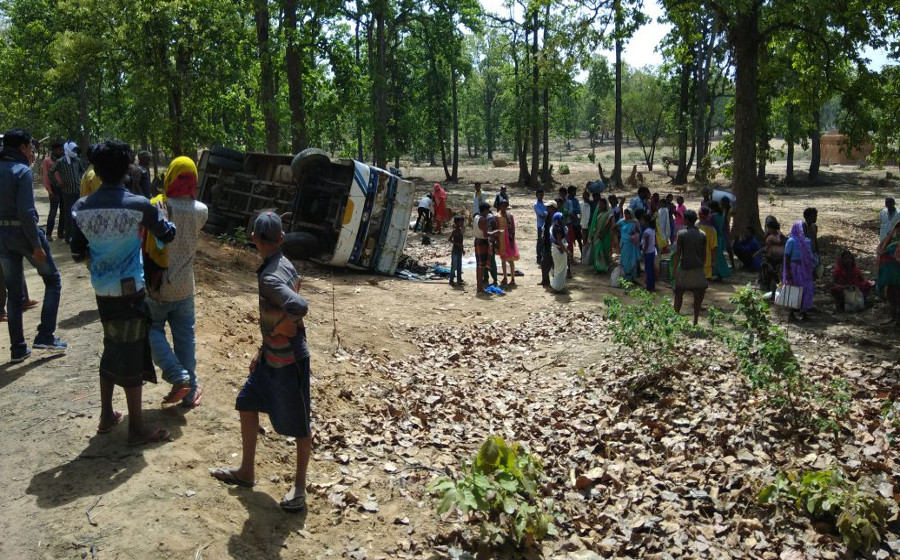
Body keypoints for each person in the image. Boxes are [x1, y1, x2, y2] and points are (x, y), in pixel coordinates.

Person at [70, 139, 175, 443]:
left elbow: (77, 250)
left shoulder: (81, 207)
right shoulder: (139, 206)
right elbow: (166, 235)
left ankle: (106, 415)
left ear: (97, 170)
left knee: (111, 344)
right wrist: (165, 216)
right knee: (131, 352)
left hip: (102, 289)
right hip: (130, 290)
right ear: (128, 169)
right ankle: (136, 428)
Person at [211, 211, 312, 513]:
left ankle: (300, 489)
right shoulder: (283, 263)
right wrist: (264, 346)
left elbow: (298, 305)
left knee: (300, 427)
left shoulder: (270, 276)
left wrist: (283, 327)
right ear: (281, 238)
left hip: (290, 361)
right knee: (246, 402)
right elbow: (287, 302)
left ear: (254, 238)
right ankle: (246, 471)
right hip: (271, 356)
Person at [145, 157, 208, 408]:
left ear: (170, 177)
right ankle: (190, 391)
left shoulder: (157, 206)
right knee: (185, 339)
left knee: (151, 330)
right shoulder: (201, 211)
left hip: (158, 285)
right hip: (185, 287)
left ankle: (176, 375)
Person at [0, 128, 65, 362]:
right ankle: (45, 335)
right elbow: (27, 212)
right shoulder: (22, 171)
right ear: (22, 148)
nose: (32, 152)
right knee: (53, 280)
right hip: (23, 234)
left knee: (14, 293)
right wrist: (36, 244)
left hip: (2, 237)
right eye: (30, 147)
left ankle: (18, 348)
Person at [672, 210, 708, 325]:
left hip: (685, 269)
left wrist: (674, 270)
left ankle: (675, 319)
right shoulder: (702, 234)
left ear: (686, 220)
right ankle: (695, 320)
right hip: (698, 270)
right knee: (698, 296)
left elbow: (678, 254)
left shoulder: (681, 234)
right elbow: (704, 256)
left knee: (678, 294)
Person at [49, 141, 85, 243]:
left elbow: (82, 171)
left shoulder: (77, 160)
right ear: (68, 150)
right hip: (67, 192)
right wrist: (57, 183)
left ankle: (76, 235)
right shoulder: (61, 161)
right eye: (73, 149)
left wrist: (80, 178)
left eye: (75, 150)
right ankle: (68, 236)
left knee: (77, 214)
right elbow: (51, 172)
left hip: (77, 191)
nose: (75, 151)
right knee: (68, 214)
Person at [783, 220, 816, 321]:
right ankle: (792, 313)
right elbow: (787, 256)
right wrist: (788, 272)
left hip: (805, 268)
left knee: (806, 289)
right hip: (794, 268)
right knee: (794, 289)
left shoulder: (807, 241)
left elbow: (810, 256)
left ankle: (804, 312)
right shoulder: (791, 241)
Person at [876, 221, 900, 325]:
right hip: (887, 272)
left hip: (897, 273)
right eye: (898, 228)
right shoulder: (890, 239)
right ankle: (892, 316)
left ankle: (898, 318)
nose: (899, 230)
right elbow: (879, 248)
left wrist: (895, 258)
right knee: (890, 293)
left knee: (898, 294)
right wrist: (881, 252)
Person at [42, 141, 64, 241]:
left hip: (64, 189)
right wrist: (49, 190)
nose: (61, 151)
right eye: (59, 149)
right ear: (54, 150)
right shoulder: (47, 161)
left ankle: (60, 232)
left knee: (63, 212)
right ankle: (48, 234)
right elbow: (46, 176)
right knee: (53, 211)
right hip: (54, 188)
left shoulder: (63, 160)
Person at [760, 216, 787, 296]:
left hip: (772, 259)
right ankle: (775, 291)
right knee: (775, 275)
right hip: (777, 258)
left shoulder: (771, 237)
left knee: (771, 275)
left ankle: (771, 291)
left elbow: (767, 248)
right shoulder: (778, 234)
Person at [587, 198, 614, 273]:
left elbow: (609, 225)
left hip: (605, 236)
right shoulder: (597, 214)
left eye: (602, 204)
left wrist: (603, 233)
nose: (601, 206)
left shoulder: (609, 213)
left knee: (604, 251)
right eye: (600, 204)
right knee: (598, 252)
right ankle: (598, 267)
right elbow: (594, 224)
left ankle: (605, 267)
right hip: (597, 235)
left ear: (606, 204)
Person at [614, 207, 641, 283]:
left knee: (633, 259)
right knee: (624, 259)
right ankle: (625, 277)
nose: (626, 215)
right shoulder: (622, 221)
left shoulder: (635, 222)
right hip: (624, 243)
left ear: (631, 214)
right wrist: (620, 234)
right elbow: (614, 226)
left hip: (632, 244)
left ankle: (633, 277)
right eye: (625, 213)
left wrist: (634, 234)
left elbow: (639, 231)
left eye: (627, 213)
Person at [497, 200, 519, 287]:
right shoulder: (497, 216)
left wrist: (512, 240)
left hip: (509, 238)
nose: (504, 207)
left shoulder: (510, 216)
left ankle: (513, 278)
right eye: (503, 205)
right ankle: (505, 277)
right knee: (503, 259)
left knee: (511, 259)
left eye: (506, 206)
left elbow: (513, 229)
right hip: (501, 238)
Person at [709, 201, 732, 279]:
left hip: (715, 237)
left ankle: (720, 272)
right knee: (720, 256)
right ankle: (721, 273)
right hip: (720, 237)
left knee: (716, 256)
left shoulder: (712, 216)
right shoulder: (721, 215)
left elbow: (712, 227)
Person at [697, 206, 719, 280]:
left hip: (695, 259)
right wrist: (713, 261)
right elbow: (713, 248)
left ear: (700, 214)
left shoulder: (694, 227)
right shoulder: (712, 230)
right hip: (707, 261)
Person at [539, 200, 558, 287]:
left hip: (552, 243)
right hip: (546, 242)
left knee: (553, 263)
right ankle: (545, 280)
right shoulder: (548, 216)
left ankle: (554, 282)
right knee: (544, 262)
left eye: (549, 207)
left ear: (553, 208)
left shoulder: (556, 217)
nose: (547, 208)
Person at [474, 203, 491, 295]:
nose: (488, 212)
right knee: (481, 267)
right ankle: (479, 287)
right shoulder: (483, 220)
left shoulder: (476, 217)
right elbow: (485, 234)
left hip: (477, 241)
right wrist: (495, 233)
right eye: (487, 210)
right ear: (484, 210)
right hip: (482, 243)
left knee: (479, 266)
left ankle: (479, 287)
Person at [549, 212, 568, 292]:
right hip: (559, 251)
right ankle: (558, 287)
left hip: (555, 251)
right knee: (561, 270)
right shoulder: (559, 228)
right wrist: (567, 251)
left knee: (558, 269)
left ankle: (556, 286)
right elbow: (559, 242)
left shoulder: (554, 227)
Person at [640, 213, 657, 292]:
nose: (641, 222)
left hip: (648, 253)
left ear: (646, 221)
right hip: (652, 251)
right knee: (651, 269)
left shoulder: (647, 232)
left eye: (642, 220)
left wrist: (643, 254)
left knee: (648, 270)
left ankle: (649, 287)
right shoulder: (652, 230)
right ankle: (652, 286)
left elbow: (646, 245)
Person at [448, 215, 464, 287]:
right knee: (454, 266)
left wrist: (462, 249)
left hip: (459, 250)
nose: (462, 223)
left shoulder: (460, 230)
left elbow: (461, 242)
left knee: (459, 266)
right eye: (461, 221)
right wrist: (457, 244)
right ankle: (451, 280)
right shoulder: (454, 231)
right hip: (455, 250)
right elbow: (450, 239)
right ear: (457, 222)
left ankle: (459, 279)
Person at [533, 189, 547, 265]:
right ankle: (538, 257)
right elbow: (542, 214)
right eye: (539, 194)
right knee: (540, 242)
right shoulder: (536, 205)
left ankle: (543, 257)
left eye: (542, 194)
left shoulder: (544, 204)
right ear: (536, 195)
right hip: (540, 225)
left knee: (545, 242)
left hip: (545, 225)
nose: (541, 196)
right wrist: (546, 213)